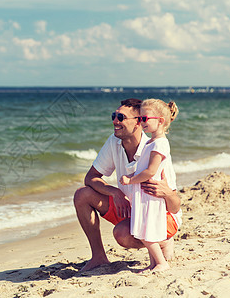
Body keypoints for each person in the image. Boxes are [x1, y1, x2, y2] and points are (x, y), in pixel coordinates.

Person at [73, 98, 181, 272]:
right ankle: (99, 257)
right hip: (130, 208)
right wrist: (114, 192)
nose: (115, 121)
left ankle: (163, 241)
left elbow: (175, 208)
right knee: (82, 195)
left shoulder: (154, 149)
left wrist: (167, 193)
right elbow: (91, 178)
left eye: (121, 117)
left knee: (122, 234)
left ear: (139, 122)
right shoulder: (113, 142)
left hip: (159, 217)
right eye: (114, 116)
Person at [119, 99, 181, 272]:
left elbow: (151, 171)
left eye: (144, 119)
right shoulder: (150, 142)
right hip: (144, 194)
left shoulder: (161, 143)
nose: (141, 122)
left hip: (151, 196)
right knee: (143, 229)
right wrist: (131, 175)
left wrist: (130, 180)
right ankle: (153, 263)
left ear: (160, 121)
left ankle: (162, 263)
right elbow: (142, 168)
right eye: (139, 119)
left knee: (147, 233)